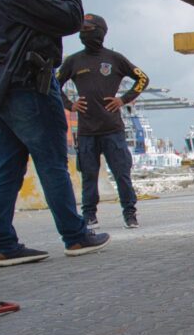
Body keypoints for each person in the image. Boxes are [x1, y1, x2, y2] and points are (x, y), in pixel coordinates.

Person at [0, 0, 110, 268]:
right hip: (30, 86)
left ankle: (1, 244)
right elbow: (69, 19)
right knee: (52, 162)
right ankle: (76, 236)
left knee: (7, 169)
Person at [58, 14, 149, 229]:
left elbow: (143, 78)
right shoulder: (73, 60)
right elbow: (54, 84)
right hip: (87, 131)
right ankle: (89, 215)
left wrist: (123, 99)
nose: (84, 32)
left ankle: (130, 213)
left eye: (88, 28)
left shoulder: (115, 59)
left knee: (122, 175)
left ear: (100, 30)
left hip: (113, 130)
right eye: (82, 29)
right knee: (89, 176)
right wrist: (70, 105)